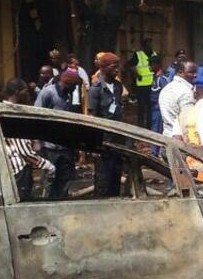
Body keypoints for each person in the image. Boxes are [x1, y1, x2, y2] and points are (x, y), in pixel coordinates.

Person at [3, 78, 55, 200]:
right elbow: (24, 152)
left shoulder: (3, 110)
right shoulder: (12, 114)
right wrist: (46, 164)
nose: (27, 95)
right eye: (25, 91)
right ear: (17, 92)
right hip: (19, 170)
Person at [36, 70, 82, 197]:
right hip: (50, 148)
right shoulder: (48, 93)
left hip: (66, 148)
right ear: (67, 83)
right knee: (49, 182)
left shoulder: (68, 96)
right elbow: (36, 117)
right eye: (74, 86)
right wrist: (38, 143)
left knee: (64, 183)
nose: (75, 89)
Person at [90, 53, 125, 196]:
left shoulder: (118, 86)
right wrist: (93, 144)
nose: (116, 70)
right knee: (103, 178)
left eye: (117, 67)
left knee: (116, 175)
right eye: (113, 67)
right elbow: (92, 118)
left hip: (117, 140)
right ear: (103, 68)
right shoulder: (96, 89)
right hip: (103, 141)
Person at [159, 60, 197, 140]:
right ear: (180, 72)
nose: (195, 75)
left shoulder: (166, 88)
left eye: (195, 72)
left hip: (167, 135)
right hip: (181, 139)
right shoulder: (186, 92)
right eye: (191, 72)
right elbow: (188, 120)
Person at [129, 37, 158, 128]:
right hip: (141, 85)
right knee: (141, 106)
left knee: (150, 106)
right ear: (143, 46)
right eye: (147, 44)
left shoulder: (155, 54)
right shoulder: (138, 55)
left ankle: (149, 126)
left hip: (152, 85)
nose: (149, 46)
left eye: (150, 44)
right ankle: (140, 125)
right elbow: (131, 66)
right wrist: (137, 75)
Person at [149, 55, 168, 139]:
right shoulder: (155, 78)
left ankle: (155, 147)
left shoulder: (161, 79)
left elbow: (166, 94)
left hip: (159, 109)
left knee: (157, 130)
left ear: (157, 65)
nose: (149, 66)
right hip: (154, 108)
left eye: (151, 64)